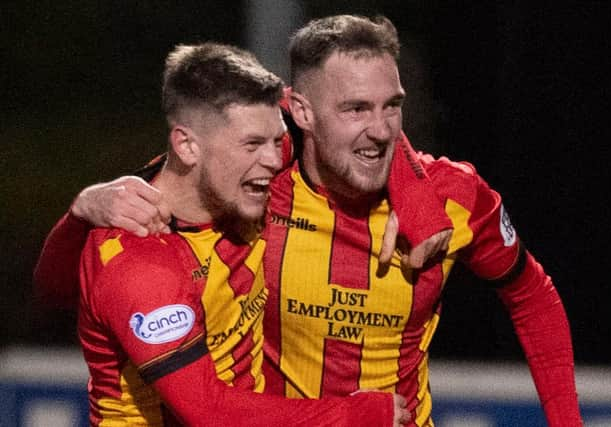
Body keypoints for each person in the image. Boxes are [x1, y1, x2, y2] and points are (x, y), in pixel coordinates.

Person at [34, 15, 582, 427]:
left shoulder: (453, 198)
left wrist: (566, 422)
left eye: (392, 107)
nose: (381, 128)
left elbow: (531, 292)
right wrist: (84, 209)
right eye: (353, 109)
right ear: (301, 113)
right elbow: (186, 175)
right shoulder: (257, 192)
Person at [69, 41, 410, 426]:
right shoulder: (139, 261)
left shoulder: (237, 179)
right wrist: (352, 415)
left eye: (275, 140)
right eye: (253, 144)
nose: (274, 158)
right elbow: (207, 411)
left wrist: (414, 194)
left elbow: (364, 119)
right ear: (187, 146)